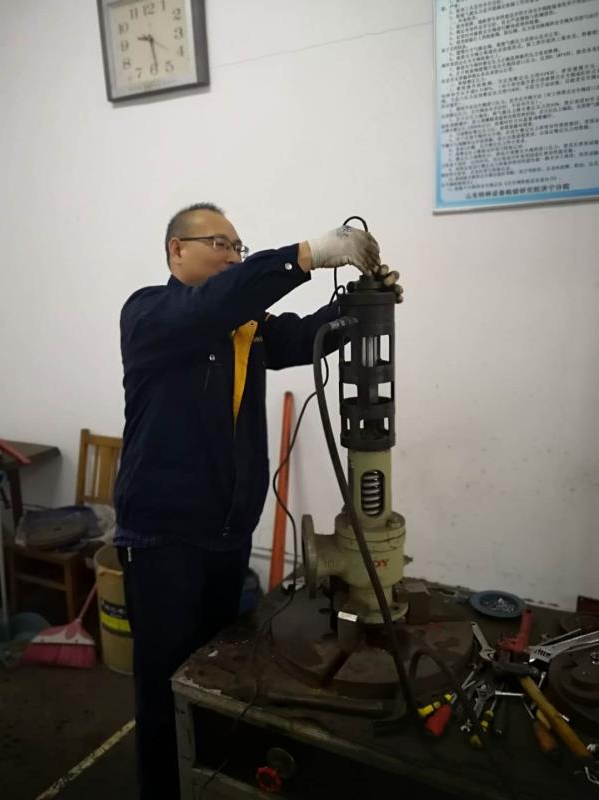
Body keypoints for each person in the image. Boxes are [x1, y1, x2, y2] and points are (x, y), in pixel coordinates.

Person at [113, 202, 402, 800]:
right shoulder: (150, 313)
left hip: (228, 531)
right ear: (176, 251)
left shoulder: (244, 325)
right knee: (165, 686)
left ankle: (207, 779)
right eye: (220, 244)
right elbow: (214, 304)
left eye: (239, 248)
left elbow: (301, 336)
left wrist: (359, 307)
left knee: (215, 674)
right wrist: (306, 256)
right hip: (164, 537)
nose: (233, 256)